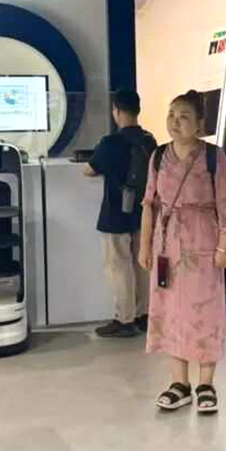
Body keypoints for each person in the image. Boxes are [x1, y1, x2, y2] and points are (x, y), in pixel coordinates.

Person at [138, 90, 226, 413]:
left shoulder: (214, 157)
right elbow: (149, 204)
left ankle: (206, 383)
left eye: (183, 117)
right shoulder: (158, 156)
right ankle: (179, 382)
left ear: (199, 124)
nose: (175, 122)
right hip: (166, 246)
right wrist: (145, 245)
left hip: (202, 243)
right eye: (171, 114)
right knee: (170, 311)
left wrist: (224, 246)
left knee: (205, 311)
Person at [84, 89, 158, 338]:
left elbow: (89, 170)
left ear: (116, 110)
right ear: (138, 109)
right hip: (143, 213)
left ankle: (124, 319)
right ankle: (144, 315)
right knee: (142, 265)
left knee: (119, 267)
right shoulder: (149, 140)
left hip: (115, 214)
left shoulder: (110, 143)